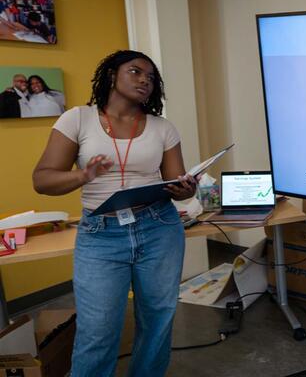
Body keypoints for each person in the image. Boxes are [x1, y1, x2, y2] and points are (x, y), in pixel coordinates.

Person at [32, 50, 197, 377]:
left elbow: (178, 182)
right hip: (101, 235)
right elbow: (42, 179)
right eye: (135, 72)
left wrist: (186, 190)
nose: (145, 81)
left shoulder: (162, 127)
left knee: (158, 319)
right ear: (110, 75)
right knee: (98, 328)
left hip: (159, 227)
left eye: (150, 78)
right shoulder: (77, 119)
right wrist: (83, 176)